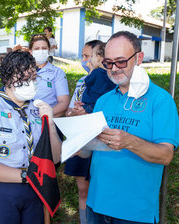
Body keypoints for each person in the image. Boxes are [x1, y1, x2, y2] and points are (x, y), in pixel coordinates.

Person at [82, 31, 179, 224]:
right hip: (96, 205)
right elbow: (87, 153)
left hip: (134, 213)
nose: (114, 68)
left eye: (120, 61)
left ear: (139, 58)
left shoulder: (160, 101)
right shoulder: (103, 100)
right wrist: (78, 135)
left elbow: (166, 155)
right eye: (108, 63)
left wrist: (129, 141)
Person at [0, 50, 61, 224]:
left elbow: (54, 158)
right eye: (23, 79)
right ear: (8, 78)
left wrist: (51, 125)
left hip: (34, 192)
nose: (30, 83)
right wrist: (26, 176)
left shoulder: (37, 109)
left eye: (33, 78)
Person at [64, 40, 116, 224]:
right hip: (80, 136)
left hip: (101, 142)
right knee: (82, 189)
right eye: (82, 56)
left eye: (87, 56)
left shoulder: (113, 80)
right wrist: (75, 112)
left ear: (101, 57)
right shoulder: (81, 81)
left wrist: (88, 112)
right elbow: (70, 110)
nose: (83, 60)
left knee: (100, 188)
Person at [29, 34, 70, 118]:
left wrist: (44, 115)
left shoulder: (57, 73)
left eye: (44, 48)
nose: (40, 51)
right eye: (37, 48)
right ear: (30, 51)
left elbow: (63, 103)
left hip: (47, 120)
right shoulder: (23, 71)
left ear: (49, 50)